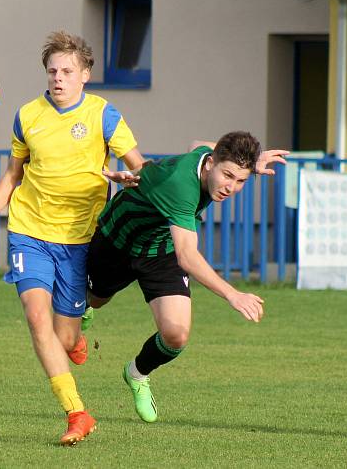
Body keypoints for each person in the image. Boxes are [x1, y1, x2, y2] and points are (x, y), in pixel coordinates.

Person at [0, 31, 144, 445]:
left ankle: (76, 337)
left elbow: (140, 167)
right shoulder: (27, 115)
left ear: (86, 74)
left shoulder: (104, 115)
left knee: (64, 338)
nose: (58, 78)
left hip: (80, 240)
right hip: (29, 231)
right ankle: (77, 413)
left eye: (66, 71)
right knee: (35, 317)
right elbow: (13, 174)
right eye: (52, 71)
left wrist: (128, 179)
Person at [84, 131, 287, 423]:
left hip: (161, 247)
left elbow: (196, 145)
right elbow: (188, 257)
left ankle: (137, 374)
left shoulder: (208, 157)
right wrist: (233, 294)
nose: (230, 187)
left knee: (176, 334)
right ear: (210, 165)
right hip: (119, 238)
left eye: (240, 181)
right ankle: (87, 306)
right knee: (97, 300)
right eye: (227, 175)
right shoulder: (181, 184)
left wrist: (251, 164)